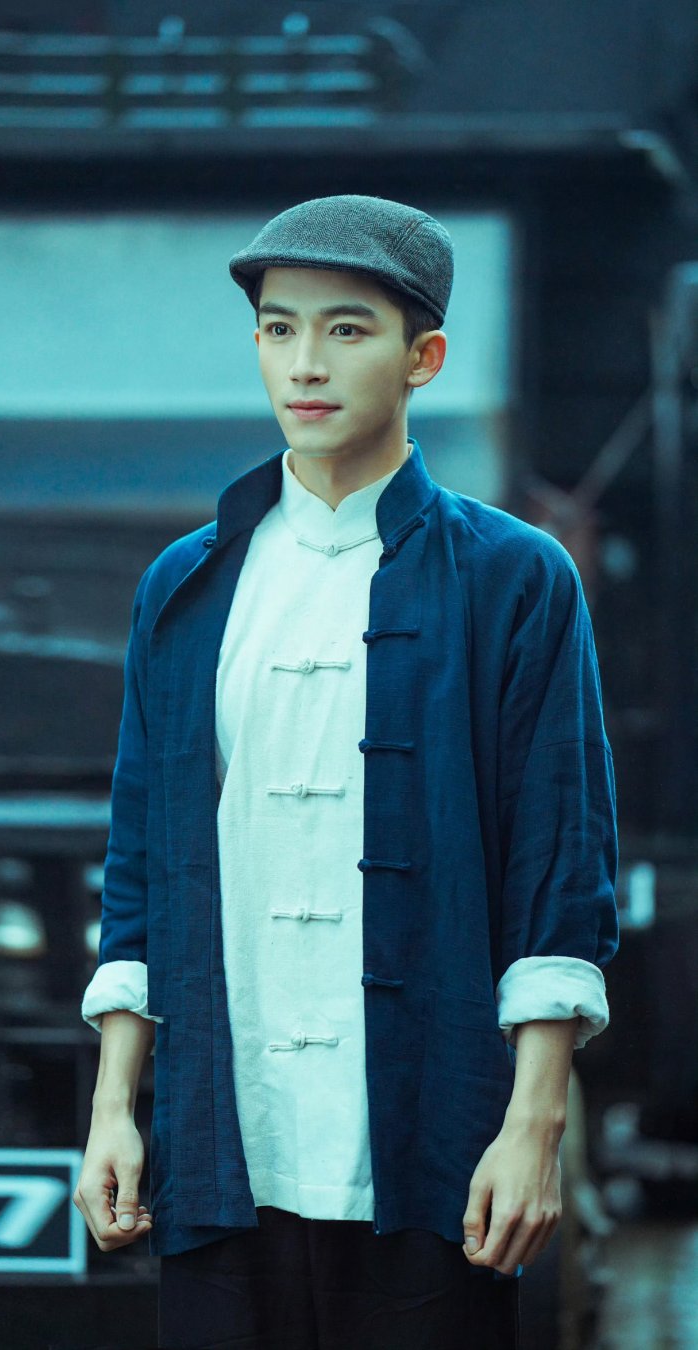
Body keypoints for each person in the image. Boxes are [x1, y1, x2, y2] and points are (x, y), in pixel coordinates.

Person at [74, 195, 619, 1350]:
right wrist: (115, 1107)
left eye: (347, 329)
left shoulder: (514, 578)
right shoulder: (188, 584)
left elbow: (558, 872)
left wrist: (532, 1129)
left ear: (425, 357)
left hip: (428, 1151)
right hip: (225, 1147)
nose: (305, 364)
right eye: (279, 329)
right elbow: (141, 861)